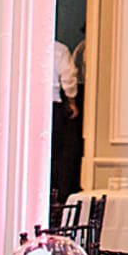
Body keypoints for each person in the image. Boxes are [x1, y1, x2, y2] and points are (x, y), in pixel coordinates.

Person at [49, 39, 85, 208]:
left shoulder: (23, 45)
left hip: (26, 103)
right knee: (57, 150)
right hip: (53, 102)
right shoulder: (59, 49)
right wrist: (71, 100)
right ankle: (56, 194)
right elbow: (68, 76)